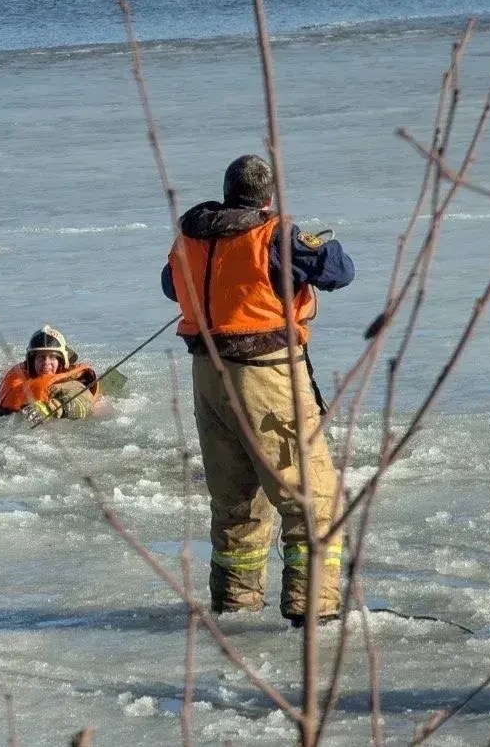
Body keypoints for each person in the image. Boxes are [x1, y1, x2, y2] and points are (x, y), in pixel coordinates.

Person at [160, 154, 355, 628]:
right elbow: (339, 272)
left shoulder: (191, 235)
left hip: (208, 375)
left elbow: (171, 287)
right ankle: (314, 611)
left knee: (234, 498)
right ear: (267, 197)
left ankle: (234, 607)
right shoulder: (274, 237)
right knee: (311, 497)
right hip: (265, 376)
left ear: (227, 191)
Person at [0, 325, 100, 419]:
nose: (46, 363)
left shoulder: (71, 384)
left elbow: (82, 403)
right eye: (40, 357)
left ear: (61, 361)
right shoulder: (18, 379)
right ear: (31, 361)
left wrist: (51, 408)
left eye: (52, 357)